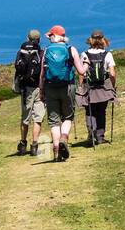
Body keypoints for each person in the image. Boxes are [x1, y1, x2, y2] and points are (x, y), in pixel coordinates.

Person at [38, 25, 88, 161]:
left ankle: (56, 152)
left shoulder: (46, 50)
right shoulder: (71, 49)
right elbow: (81, 71)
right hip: (68, 87)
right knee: (68, 117)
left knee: (54, 121)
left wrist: (41, 91)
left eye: (50, 36)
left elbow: (42, 74)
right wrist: (86, 64)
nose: (49, 38)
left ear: (54, 36)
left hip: (50, 88)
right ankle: (64, 138)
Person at [78, 29, 118, 145]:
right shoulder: (107, 54)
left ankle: (92, 136)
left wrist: (81, 87)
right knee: (101, 111)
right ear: (103, 40)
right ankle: (100, 136)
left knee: (90, 112)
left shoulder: (84, 54)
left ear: (90, 40)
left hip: (89, 88)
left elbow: (82, 73)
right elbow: (112, 74)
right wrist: (112, 86)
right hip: (103, 88)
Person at [13, 29, 46, 156]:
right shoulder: (41, 52)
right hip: (39, 88)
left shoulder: (21, 52)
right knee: (37, 118)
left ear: (27, 38)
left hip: (25, 89)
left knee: (25, 118)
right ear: (38, 40)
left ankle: (22, 143)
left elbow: (18, 69)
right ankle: (34, 144)